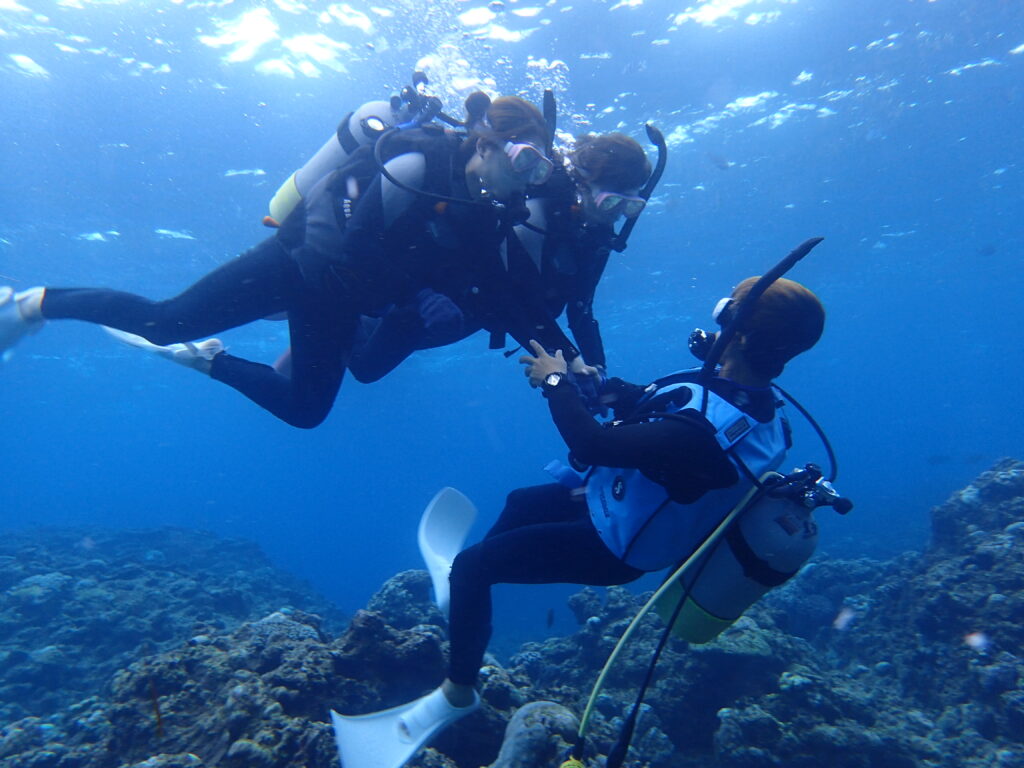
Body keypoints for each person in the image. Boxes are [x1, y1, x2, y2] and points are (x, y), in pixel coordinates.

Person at [330, 274, 826, 768]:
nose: (714, 319)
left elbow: (593, 445)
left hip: (615, 545)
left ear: (739, 332)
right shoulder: (743, 397)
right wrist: (595, 382)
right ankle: (471, 591)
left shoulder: (711, 426)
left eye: (726, 310)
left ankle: (458, 690)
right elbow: (653, 404)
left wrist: (553, 381)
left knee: (472, 567)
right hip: (615, 506)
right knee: (521, 502)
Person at [0, 95, 596, 428]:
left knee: (307, 411)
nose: (525, 181)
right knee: (165, 322)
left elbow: (503, 292)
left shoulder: (490, 209)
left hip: (339, 298)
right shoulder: (418, 167)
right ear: (486, 143)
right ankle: (34, 302)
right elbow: (358, 241)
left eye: (537, 172)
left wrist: (567, 354)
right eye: (522, 162)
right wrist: (417, 298)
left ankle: (212, 362)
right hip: (298, 266)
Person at [270, 130, 655, 385]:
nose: (615, 214)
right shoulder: (537, 212)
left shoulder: (596, 234)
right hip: (446, 297)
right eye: (610, 201)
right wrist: (569, 359)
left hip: (472, 314)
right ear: (583, 184)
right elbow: (507, 295)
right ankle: (309, 308)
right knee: (364, 365)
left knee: (363, 363)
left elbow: (581, 308)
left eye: (629, 206)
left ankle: (317, 318)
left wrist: (596, 369)